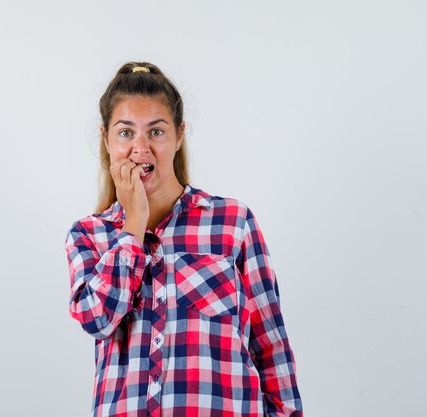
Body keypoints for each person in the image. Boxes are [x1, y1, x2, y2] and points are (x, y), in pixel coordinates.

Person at [64, 61, 303, 417]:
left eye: (156, 132)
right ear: (107, 140)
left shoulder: (232, 222)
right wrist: (134, 225)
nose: (140, 148)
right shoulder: (90, 234)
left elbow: (270, 345)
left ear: (179, 135)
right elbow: (97, 320)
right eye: (126, 133)